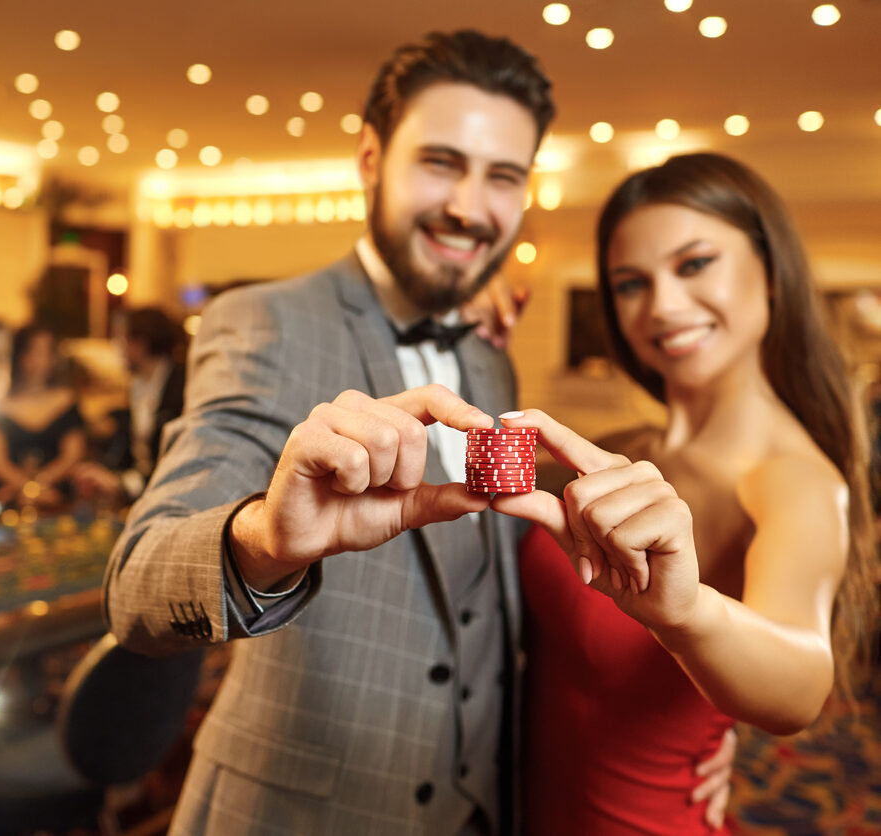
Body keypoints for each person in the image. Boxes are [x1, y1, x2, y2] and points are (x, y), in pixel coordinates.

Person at [104, 31, 730, 835]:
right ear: (370, 158)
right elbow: (136, 589)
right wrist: (264, 539)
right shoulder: (263, 321)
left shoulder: (489, 352)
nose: (469, 206)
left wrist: (679, 725)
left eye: (502, 176)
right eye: (440, 162)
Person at [489, 153, 877, 834]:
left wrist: (688, 614)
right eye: (631, 283)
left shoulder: (790, 478)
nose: (663, 306)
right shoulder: (623, 448)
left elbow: (802, 682)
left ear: (771, 273)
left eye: (694, 264)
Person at [73, 306, 186, 505]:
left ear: (142, 343)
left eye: (122, 339)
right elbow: (130, 453)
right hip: (142, 496)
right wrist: (104, 474)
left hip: (173, 496)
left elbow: (179, 462)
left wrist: (122, 483)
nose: (118, 349)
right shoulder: (137, 385)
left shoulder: (183, 385)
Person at [0, 323, 85, 507]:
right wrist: (29, 489)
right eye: (34, 352)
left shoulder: (67, 401)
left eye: (47, 352)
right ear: (19, 355)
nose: (41, 360)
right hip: (11, 499)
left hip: (58, 498)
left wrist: (36, 486)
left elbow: (72, 456)